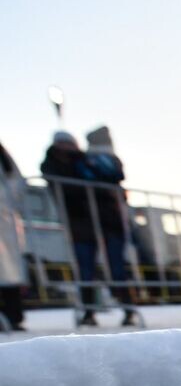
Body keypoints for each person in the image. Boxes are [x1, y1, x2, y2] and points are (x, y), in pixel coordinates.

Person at [41, 129, 137, 326]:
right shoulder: (54, 164)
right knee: (85, 269)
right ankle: (89, 311)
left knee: (116, 267)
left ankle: (128, 307)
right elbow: (65, 188)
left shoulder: (87, 160)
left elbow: (113, 178)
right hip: (80, 223)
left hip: (108, 222)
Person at [0, 140, 27, 331]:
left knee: (10, 271)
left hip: (6, 218)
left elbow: (16, 183)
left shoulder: (4, 157)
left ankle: (13, 315)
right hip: (6, 217)